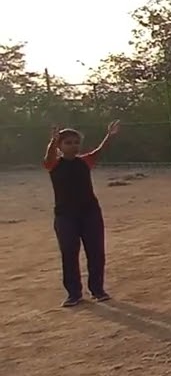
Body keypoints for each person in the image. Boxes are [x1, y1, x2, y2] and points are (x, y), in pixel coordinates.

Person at [44, 120, 121, 307]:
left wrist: (109, 136)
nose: (73, 146)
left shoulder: (85, 161)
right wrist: (52, 141)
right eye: (68, 142)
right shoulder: (54, 164)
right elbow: (48, 157)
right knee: (69, 253)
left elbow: (100, 150)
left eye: (76, 142)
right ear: (60, 146)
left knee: (96, 252)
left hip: (90, 212)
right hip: (65, 215)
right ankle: (74, 293)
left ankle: (97, 290)